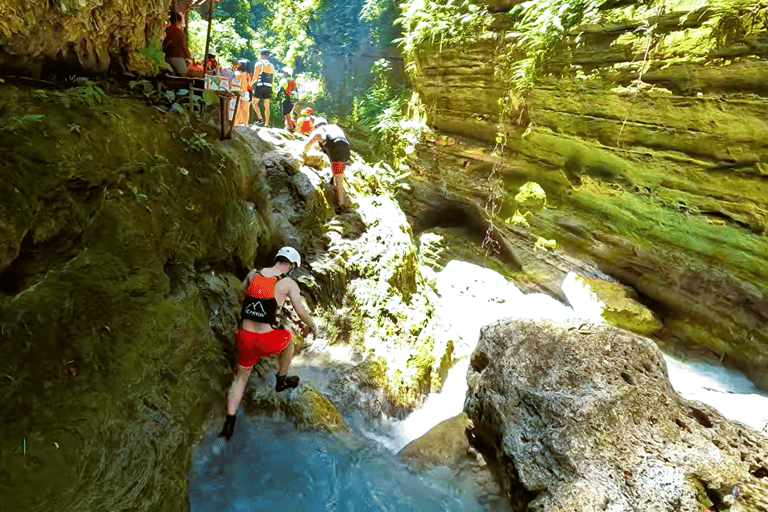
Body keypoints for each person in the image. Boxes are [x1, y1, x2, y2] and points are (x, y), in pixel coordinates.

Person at [218, 247, 318, 441]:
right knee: (288, 340)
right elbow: (301, 311)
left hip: (244, 338)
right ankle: (281, 380)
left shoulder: (252, 274)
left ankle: (229, 422)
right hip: (266, 341)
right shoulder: (288, 283)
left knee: (240, 378)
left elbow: (241, 297)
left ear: (277, 260)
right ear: (291, 267)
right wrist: (313, 326)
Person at [302, 117, 351, 214]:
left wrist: (303, 154)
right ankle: (334, 181)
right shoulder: (334, 127)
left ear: (316, 126)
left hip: (336, 151)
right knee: (337, 170)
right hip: (346, 150)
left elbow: (308, 144)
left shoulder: (319, 131)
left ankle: (341, 204)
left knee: (339, 179)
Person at [162, 11, 191, 76]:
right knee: (185, 74)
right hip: (176, 58)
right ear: (178, 21)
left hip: (165, 57)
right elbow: (183, 45)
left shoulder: (166, 30)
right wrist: (188, 56)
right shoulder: (179, 32)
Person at [251, 49, 275, 127]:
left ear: (261, 55)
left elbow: (255, 77)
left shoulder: (259, 64)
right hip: (269, 86)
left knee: (254, 103)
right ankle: (266, 124)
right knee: (267, 106)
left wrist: (249, 84)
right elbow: (272, 78)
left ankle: (260, 118)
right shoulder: (271, 66)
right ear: (267, 56)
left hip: (261, 85)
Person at [277, 67, 298, 132]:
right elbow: (296, 91)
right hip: (293, 100)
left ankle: (290, 127)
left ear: (286, 73)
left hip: (286, 98)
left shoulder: (283, 81)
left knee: (286, 114)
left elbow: (280, 90)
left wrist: (278, 99)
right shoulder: (293, 81)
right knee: (289, 113)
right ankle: (290, 127)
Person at [232, 60, 252, 127]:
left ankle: (236, 123)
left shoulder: (236, 73)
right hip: (245, 92)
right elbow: (249, 84)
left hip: (237, 91)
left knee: (237, 108)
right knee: (245, 109)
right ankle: (245, 124)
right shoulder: (247, 74)